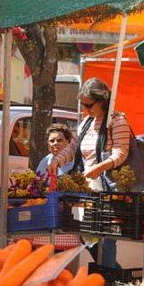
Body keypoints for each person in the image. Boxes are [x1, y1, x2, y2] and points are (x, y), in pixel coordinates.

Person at [49, 77, 130, 268]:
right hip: (87, 191)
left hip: (108, 190)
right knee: (88, 237)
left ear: (102, 100)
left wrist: (99, 167)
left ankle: (110, 280)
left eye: (88, 104)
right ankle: (114, 275)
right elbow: (73, 148)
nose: (85, 109)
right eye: (83, 105)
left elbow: (121, 152)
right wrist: (56, 160)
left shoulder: (117, 121)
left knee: (105, 240)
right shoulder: (86, 121)